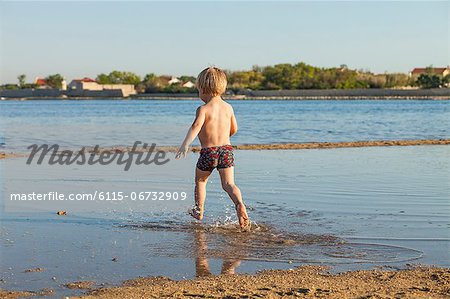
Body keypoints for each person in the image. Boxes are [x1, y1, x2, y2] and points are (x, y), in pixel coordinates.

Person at [176, 66, 250, 229]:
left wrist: (185, 144)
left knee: (201, 181)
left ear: (203, 89)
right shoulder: (228, 107)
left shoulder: (203, 109)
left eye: (198, 91)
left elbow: (196, 126)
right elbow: (234, 129)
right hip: (226, 150)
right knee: (229, 184)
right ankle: (239, 204)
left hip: (208, 152)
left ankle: (199, 211)